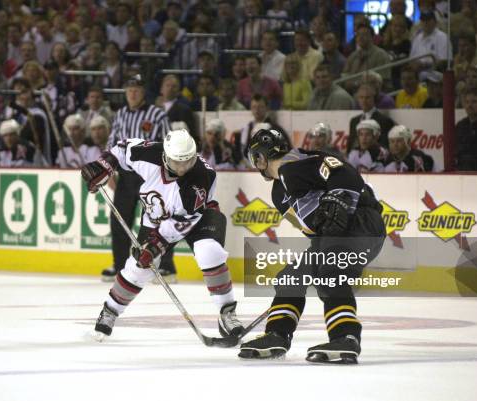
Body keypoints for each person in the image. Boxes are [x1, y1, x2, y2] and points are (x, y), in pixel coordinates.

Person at [238, 128, 385, 363]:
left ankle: (346, 337)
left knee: (330, 274)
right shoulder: (279, 192)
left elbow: (343, 171)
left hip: (360, 224)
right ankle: (277, 334)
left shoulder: (296, 161)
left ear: (260, 158)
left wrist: (338, 197)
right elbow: (312, 227)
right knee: (290, 278)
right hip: (333, 236)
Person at [82, 129, 244, 340]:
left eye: (187, 162)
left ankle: (227, 313)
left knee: (209, 252)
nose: (183, 168)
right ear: (166, 156)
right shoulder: (149, 154)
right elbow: (122, 149)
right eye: (177, 162)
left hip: (199, 217)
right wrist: (104, 166)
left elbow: (183, 222)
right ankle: (110, 311)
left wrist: (155, 246)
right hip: (156, 218)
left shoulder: (201, 177)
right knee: (139, 268)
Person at [103, 75, 176, 282]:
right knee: (119, 221)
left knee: (155, 221)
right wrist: (109, 169)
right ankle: (119, 266)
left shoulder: (157, 115)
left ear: (144, 92)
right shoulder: (120, 114)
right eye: (129, 89)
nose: (132, 93)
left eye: (137, 89)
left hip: (150, 176)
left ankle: (165, 267)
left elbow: (167, 143)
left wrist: (165, 176)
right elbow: (112, 142)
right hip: (126, 176)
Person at [348, 84, 397, 152]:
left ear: (374, 99)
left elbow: (385, 146)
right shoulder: (354, 121)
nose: (364, 101)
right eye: (361, 97)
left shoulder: (384, 121)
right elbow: (350, 145)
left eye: (367, 97)